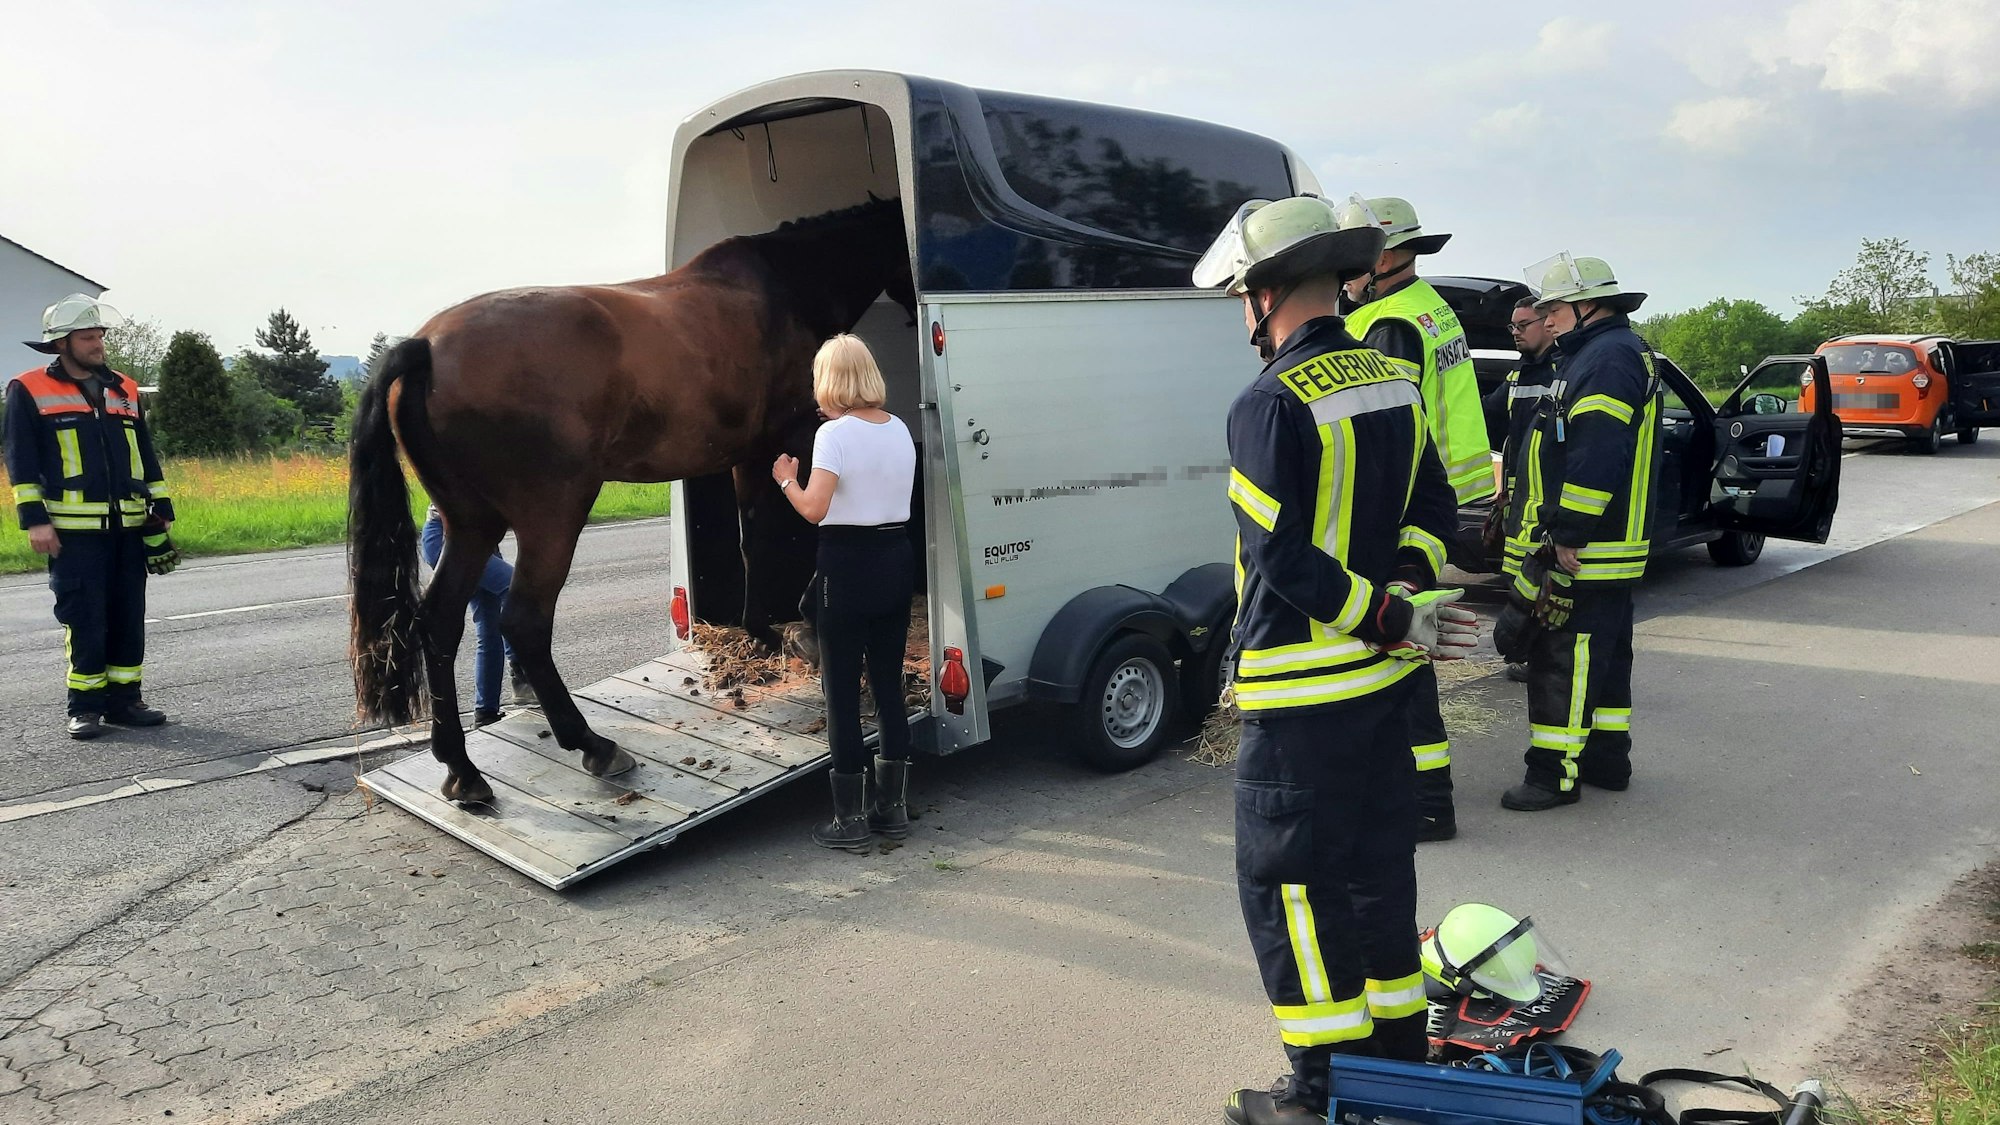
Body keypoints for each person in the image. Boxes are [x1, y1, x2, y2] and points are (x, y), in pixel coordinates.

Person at [1193, 195, 1477, 1124]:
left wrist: (1376, 613)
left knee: (1292, 894)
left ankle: (1323, 1092)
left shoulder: (1267, 402)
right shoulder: (1393, 379)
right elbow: (1435, 511)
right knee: (1376, 874)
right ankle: (1398, 1059)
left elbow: (1277, 557)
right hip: (1384, 692)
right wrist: (1401, 594)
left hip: (1302, 697)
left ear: (1266, 294)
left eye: (1243, 294)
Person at [1331, 196, 1493, 844]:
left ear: (1386, 256)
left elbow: (1386, 433)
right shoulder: (1429, 307)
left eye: (1351, 261)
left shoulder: (1390, 323)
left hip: (1410, 508)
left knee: (1405, 659)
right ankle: (1424, 794)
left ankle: (1427, 801)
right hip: (1443, 495)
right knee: (1410, 651)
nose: (1342, 276)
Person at [1501, 254, 1659, 811]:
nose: (1546, 321)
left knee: (1562, 659)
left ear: (1583, 305)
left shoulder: (1606, 359)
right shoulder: (1608, 352)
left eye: (1553, 310)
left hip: (1588, 548)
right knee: (1608, 658)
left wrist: (1567, 533)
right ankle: (1607, 761)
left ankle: (1551, 775)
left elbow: (1596, 455)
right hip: (1609, 546)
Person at [771, 333, 917, 853]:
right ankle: (892, 810)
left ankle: (848, 819)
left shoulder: (834, 435)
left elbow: (814, 509)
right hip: (896, 559)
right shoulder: (899, 428)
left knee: (840, 696)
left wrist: (787, 479)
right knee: (886, 685)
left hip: (847, 565)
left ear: (830, 382)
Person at [6, 294, 173, 739]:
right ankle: (85, 708)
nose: (98, 344)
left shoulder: (126, 388)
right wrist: (35, 520)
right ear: (61, 343)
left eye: (100, 335)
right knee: (85, 618)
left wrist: (163, 508)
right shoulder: (28, 388)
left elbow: (145, 453)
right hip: (72, 534)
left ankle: (126, 701)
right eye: (87, 337)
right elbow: (20, 461)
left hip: (129, 528)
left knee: (127, 614)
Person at [419, 505, 535, 726]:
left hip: (479, 541)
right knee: (516, 588)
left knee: (489, 627)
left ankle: (486, 711)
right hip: (449, 540)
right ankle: (521, 673)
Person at [1493, 298, 1558, 683]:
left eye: (1522, 324)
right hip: (1519, 501)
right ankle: (1525, 653)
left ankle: (1541, 658)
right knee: (1518, 582)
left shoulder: (1562, 372)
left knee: (1542, 586)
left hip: (1546, 501)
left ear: (1547, 324)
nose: (1515, 332)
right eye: (1512, 326)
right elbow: (1490, 413)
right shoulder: (1519, 374)